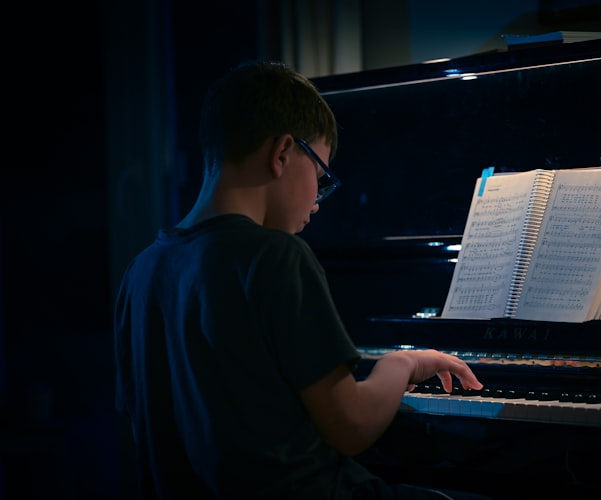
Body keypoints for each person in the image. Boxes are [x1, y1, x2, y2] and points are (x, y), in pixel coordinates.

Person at [113, 60, 490, 499]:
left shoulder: (140, 271)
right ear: (282, 153)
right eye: (320, 174)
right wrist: (402, 363)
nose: (317, 201)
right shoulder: (276, 255)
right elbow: (351, 427)